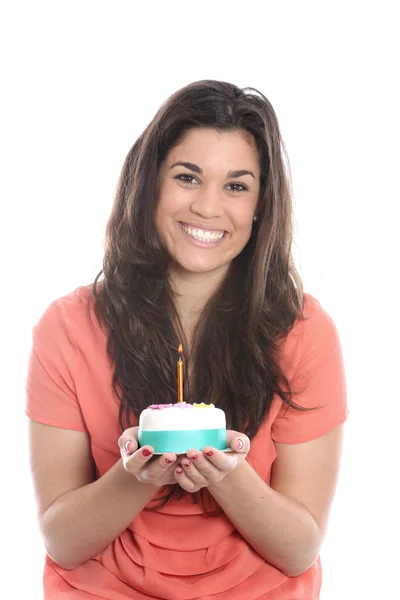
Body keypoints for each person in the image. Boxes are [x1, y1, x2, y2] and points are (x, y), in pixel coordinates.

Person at [25, 79, 348, 599]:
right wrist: (142, 476)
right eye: (187, 177)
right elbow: (62, 540)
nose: (207, 207)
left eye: (236, 186)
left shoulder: (305, 332)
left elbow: (298, 548)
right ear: (150, 182)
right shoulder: (67, 328)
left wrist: (225, 474)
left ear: (261, 205)